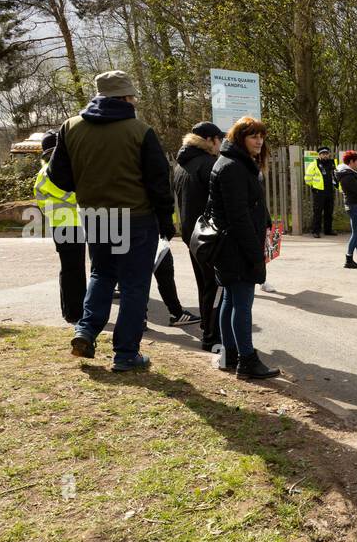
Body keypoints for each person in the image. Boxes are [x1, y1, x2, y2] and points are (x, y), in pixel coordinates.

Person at [49, 69, 176, 373]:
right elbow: (159, 183)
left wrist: (89, 180)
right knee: (134, 285)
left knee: (101, 274)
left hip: (96, 216)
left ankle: (86, 331)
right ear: (127, 97)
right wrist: (166, 221)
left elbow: (59, 177)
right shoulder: (140, 130)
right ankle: (125, 354)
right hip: (136, 218)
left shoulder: (70, 128)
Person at [209, 116, 279, 380]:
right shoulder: (233, 167)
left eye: (261, 136)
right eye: (253, 136)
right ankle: (246, 361)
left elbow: (254, 204)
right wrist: (254, 254)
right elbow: (238, 217)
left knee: (230, 300)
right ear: (240, 138)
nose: (259, 141)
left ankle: (230, 355)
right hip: (235, 247)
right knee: (242, 304)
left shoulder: (237, 163)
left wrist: (268, 222)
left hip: (233, 246)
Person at [173, 121, 226, 351]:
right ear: (210, 140)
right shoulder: (208, 164)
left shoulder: (181, 165)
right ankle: (212, 336)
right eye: (219, 140)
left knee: (204, 282)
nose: (220, 144)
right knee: (215, 285)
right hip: (209, 234)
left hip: (191, 233)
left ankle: (207, 325)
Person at [33, 130, 85, 325]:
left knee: (70, 269)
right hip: (70, 224)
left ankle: (71, 310)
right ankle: (75, 312)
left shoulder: (43, 173)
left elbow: (43, 203)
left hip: (60, 225)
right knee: (74, 270)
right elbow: (74, 195)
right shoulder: (54, 172)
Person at [305, 147, 336, 237]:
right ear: (319, 155)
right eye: (323, 154)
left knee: (329, 212)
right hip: (319, 192)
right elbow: (307, 178)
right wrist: (314, 187)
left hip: (330, 191)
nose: (325, 155)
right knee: (318, 212)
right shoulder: (314, 164)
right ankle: (316, 231)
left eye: (326, 153)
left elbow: (336, 175)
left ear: (329, 154)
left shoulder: (332, 163)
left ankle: (328, 230)